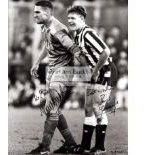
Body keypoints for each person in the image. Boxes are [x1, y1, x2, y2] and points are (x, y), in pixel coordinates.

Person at [27, 1, 83, 154]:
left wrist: (86, 73)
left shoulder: (57, 29)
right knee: (52, 108)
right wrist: (37, 63)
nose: (34, 15)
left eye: (37, 12)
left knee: (51, 108)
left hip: (63, 72)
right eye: (34, 12)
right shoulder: (46, 26)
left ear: (48, 13)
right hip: (53, 71)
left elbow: (74, 49)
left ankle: (44, 148)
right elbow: (48, 44)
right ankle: (71, 145)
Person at [67, 5, 117, 154]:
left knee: (97, 108)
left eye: (73, 18)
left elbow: (106, 52)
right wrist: (86, 68)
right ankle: (85, 146)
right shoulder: (77, 34)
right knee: (88, 108)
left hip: (105, 70)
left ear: (82, 19)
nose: (69, 20)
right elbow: (82, 55)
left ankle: (100, 147)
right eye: (68, 18)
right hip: (95, 71)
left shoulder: (87, 33)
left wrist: (94, 71)